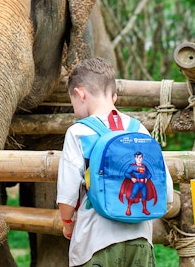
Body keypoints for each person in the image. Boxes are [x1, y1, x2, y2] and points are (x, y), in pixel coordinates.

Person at [56, 57, 174, 267]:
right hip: (140, 239)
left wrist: (67, 223)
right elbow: (168, 189)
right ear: (114, 96)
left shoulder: (78, 132)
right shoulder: (139, 130)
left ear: (79, 94)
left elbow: (67, 194)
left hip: (95, 241)